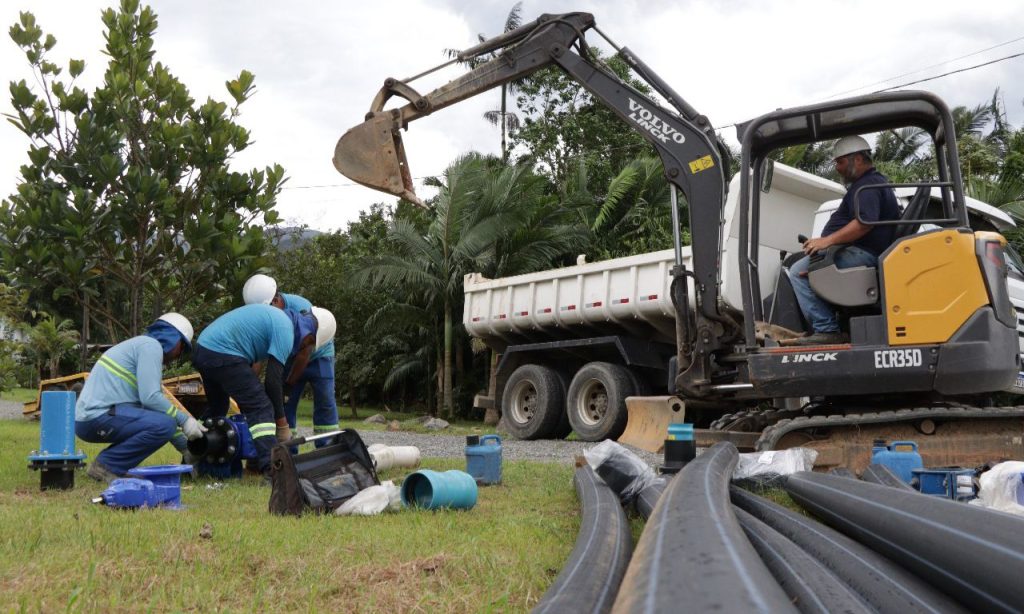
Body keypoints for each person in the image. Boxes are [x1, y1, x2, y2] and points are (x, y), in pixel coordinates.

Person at [787, 135, 901, 345]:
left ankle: (826, 329)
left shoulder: (867, 186)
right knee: (804, 265)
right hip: (857, 250)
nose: (837, 168)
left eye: (839, 162)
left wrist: (826, 241)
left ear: (857, 159)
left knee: (797, 272)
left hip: (864, 253)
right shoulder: (868, 184)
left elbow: (864, 223)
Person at [190, 303, 319, 476]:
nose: (304, 349)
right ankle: (272, 468)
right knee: (260, 406)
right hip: (223, 352)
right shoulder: (286, 329)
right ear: (308, 334)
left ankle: (193, 457)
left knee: (217, 409)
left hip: (204, 349)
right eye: (308, 344)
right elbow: (273, 382)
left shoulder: (280, 319)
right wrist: (282, 425)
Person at [75, 313, 203, 482]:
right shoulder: (150, 347)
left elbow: (155, 409)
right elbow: (151, 398)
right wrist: (185, 420)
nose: (179, 354)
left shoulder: (141, 347)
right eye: (182, 347)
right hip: (97, 417)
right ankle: (106, 466)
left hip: (93, 418)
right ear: (174, 339)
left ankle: (111, 466)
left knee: (163, 422)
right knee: (165, 424)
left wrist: (186, 449)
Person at [243, 274, 339, 448]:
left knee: (325, 401)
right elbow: (259, 354)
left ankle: (327, 447)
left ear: (276, 300)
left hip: (319, 356)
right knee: (284, 402)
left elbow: (305, 352)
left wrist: (289, 383)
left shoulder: (301, 307)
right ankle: (287, 449)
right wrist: (251, 383)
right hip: (288, 356)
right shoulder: (271, 316)